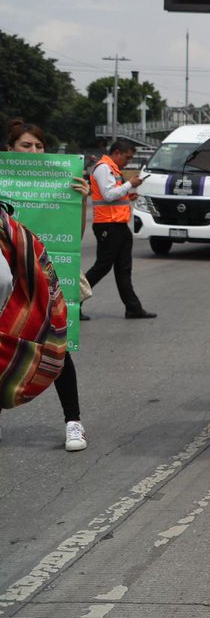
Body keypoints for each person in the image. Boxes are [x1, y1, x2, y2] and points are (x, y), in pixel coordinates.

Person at [2, 120, 89, 450]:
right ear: (10, 150)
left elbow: (73, 240)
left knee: (57, 349)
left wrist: (79, 202)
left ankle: (74, 423)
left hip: (43, 282)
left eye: (39, 146)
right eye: (27, 145)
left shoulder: (60, 184)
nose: (35, 152)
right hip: (6, 282)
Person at [84, 139, 155, 319]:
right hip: (107, 225)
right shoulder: (103, 168)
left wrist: (128, 194)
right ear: (116, 153)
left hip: (119, 225)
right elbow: (108, 195)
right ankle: (72, 300)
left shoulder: (113, 169)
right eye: (127, 157)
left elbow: (114, 194)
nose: (128, 161)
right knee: (102, 267)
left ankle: (133, 308)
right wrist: (130, 184)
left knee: (124, 269)